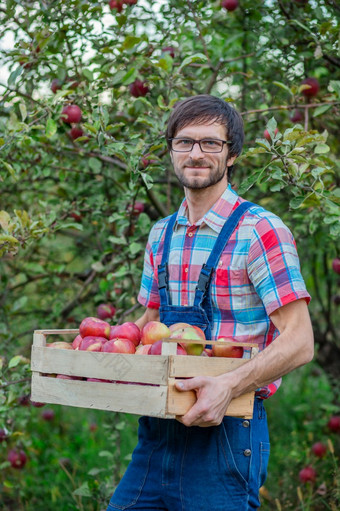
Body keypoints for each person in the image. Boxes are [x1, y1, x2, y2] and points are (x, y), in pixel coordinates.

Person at [107, 95, 314, 510]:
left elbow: (300, 341)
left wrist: (228, 385)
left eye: (210, 143)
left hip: (227, 431)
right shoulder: (161, 234)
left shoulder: (260, 231)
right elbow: (150, 324)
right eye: (184, 142)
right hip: (158, 434)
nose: (196, 154)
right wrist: (98, 358)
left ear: (232, 153)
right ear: (171, 150)